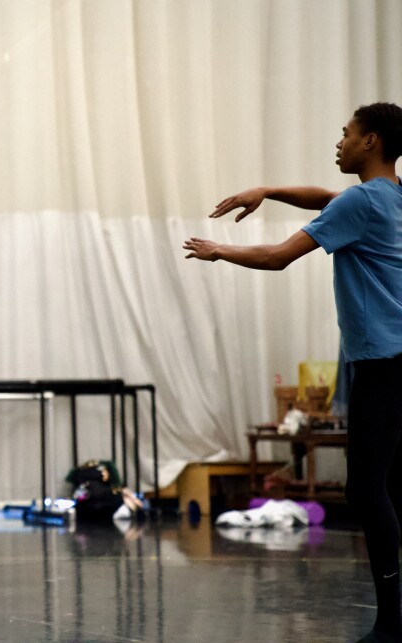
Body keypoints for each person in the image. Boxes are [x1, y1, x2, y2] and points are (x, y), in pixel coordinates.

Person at [184, 102, 402, 643]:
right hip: (395, 360)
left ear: (371, 141)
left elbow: (280, 256)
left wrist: (219, 251)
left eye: (346, 134)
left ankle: (392, 623)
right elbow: (325, 199)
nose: (339, 143)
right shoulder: (389, 197)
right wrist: (267, 190)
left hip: (382, 362)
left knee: (367, 489)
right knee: (388, 487)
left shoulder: (363, 200)